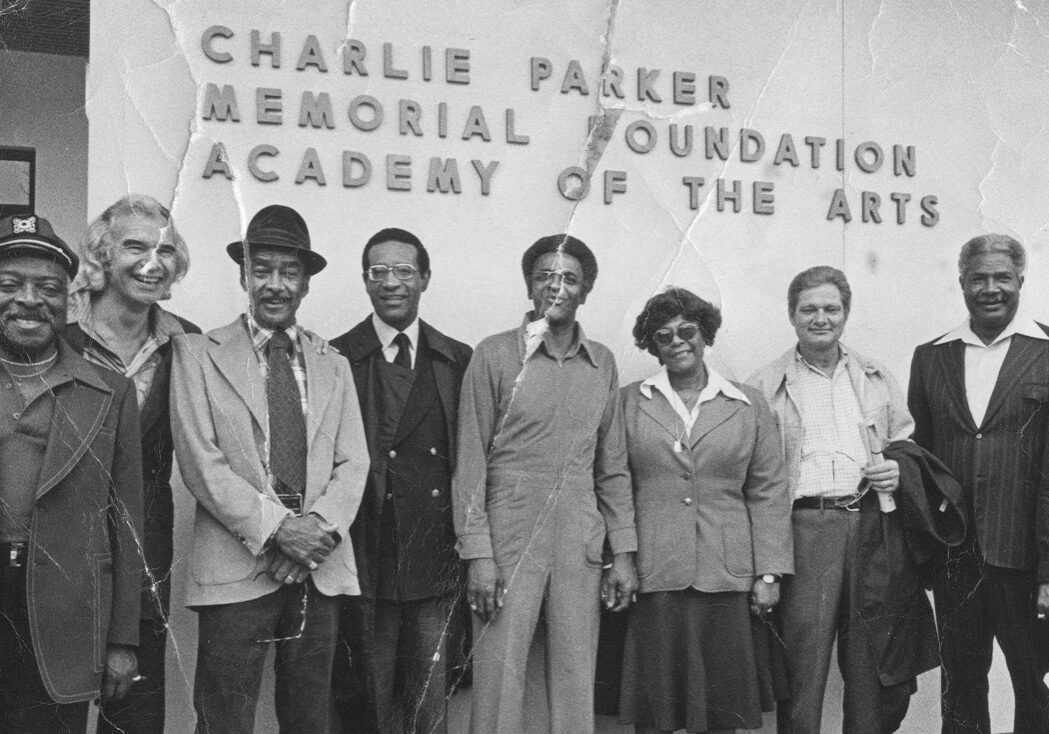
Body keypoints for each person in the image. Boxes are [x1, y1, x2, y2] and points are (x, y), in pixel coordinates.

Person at [170, 204, 369, 734]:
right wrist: (283, 532)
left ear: (306, 283)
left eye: (289, 272)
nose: (274, 285)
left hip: (317, 571)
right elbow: (200, 462)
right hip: (236, 571)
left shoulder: (335, 363)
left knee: (309, 719)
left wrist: (315, 536)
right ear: (243, 276)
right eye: (262, 271)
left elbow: (355, 462)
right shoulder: (195, 354)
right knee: (224, 719)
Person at [453, 233, 638, 734]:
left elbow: (612, 467)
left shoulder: (601, 363)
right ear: (529, 287)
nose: (556, 288)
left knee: (577, 676)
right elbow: (470, 463)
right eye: (544, 277)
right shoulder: (492, 356)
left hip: (579, 536)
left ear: (586, 290)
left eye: (569, 279)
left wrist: (622, 553)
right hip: (508, 535)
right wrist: (479, 554)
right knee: (498, 675)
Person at [748, 266, 933, 734]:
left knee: (873, 664)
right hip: (806, 530)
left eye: (831, 308)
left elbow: (905, 444)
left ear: (845, 314)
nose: (821, 318)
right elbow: (756, 478)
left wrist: (897, 469)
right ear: (792, 315)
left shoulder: (874, 376)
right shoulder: (765, 385)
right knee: (802, 666)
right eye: (809, 309)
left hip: (871, 527)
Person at [618, 287, 792, 734]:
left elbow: (768, 491)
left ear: (705, 334)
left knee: (721, 713)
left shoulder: (748, 404)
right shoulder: (629, 402)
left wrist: (769, 573)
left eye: (687, 330)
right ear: (652, 345)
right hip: (656, 572)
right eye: (663, 335)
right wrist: (620, 558)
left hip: (727, 575)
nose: (677, 341)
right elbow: (614, 483)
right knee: (656, 715)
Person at [0, 213, 143, 731]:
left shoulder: (111, 392)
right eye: (10, 285)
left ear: (70, 299)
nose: (29, 300)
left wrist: (123, 640)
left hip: (62, 615)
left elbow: (127, 528)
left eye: (48, 288)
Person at [64, 194, 199, 734]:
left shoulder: (186, 343)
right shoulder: (60, 333)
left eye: (165, 250)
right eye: (136, 246)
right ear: (101, 254)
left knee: (135, 706)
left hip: (146, 540)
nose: (152, 262)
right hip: (62, 534)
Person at [329, 227, 472, 734]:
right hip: (363, 554)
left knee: (430, 704)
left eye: (404, 271)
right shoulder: (336, 356)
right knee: (362, 697)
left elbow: (472, 464)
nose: (392, 283)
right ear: (365, 281)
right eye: (379, 272)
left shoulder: (457, 359)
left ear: (425, 279)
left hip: (433, 561)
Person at [909, 234, 1049, 734]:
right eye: (979, 279)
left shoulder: (1047, 350)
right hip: (956, 560)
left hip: (1027, 560)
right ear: (962, 283)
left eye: (1002, 278)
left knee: (1035, 687)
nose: (991, 288)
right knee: (962, 689)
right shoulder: (931, 357)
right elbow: (924, 457)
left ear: (1021, 282)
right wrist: (928, 548)